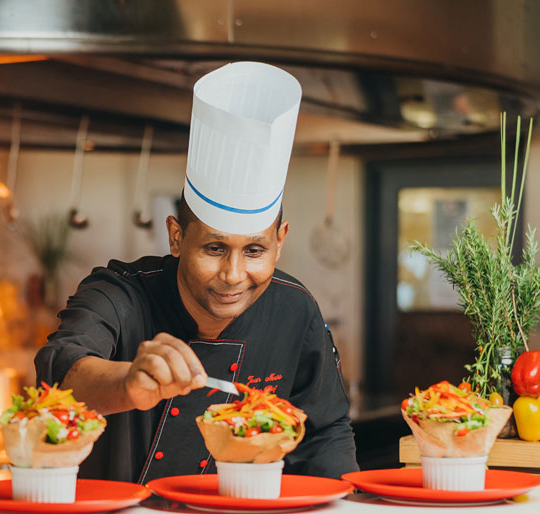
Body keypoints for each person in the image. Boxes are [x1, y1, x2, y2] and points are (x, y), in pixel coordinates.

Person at [34, 62, 357, 482]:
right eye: (214, 248)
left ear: (280, 242)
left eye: (255, 250)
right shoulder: (116, 294)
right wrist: (128, 382)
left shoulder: (295, 308)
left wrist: (346, 513)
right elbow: (61, 376)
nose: (234, 275)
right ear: (176, 236)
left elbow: (325, 432)